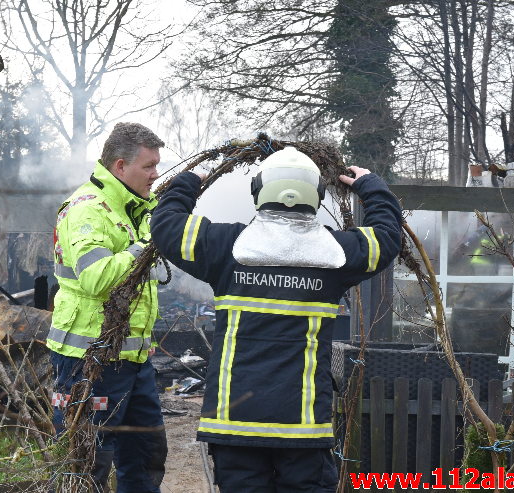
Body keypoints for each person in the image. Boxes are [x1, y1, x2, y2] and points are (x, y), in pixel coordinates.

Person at [150, 146, 402, 492]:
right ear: (316, 195)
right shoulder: (337, 253)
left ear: (258, 192)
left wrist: (189, 182)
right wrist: (371, 186)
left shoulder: (224, 245)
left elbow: (166, 225)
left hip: (234, 425)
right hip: (302, 429)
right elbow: (387, 236)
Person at [47, 122, 167, 493]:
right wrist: (141, 251)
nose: (155, 174)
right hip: (88, 360)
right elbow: (97, 278)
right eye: (148, 166)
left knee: (146, 454)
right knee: (86, 463)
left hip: (133, 359)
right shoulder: (87, 211)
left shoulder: (136, 209)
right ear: (120, 166)